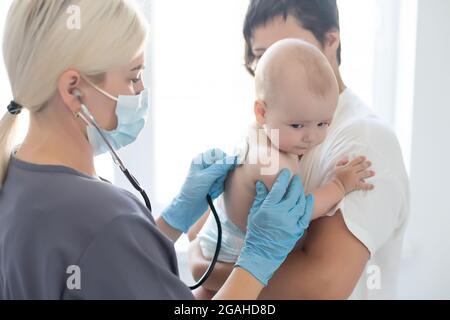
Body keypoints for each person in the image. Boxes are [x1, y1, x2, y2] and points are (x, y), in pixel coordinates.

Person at [0, 0, 313, 300]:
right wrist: (258, 260)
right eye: (133, 76)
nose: (140, 92)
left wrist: (171, 222)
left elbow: (108, 275)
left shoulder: (17, 181)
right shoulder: (104, 220)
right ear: (73, 89)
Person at [188, 0, 410, 299]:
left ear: (331, 40)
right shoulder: (276, 125)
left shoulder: (363, 140)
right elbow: (204, 228)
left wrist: (208, 267)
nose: (273, 65)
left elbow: (322, 286)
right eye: (260, 55)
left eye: (286, 46)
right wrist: (201, 258)